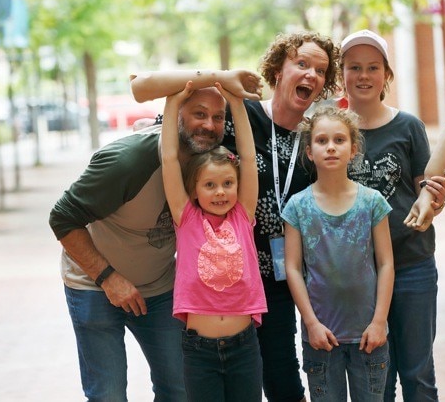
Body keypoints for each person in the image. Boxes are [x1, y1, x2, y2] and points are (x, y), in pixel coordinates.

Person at [130, 31, 340, 402]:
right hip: (213, 289)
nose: (310, 74)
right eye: (301, 63)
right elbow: (145, 91)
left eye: (320, 70)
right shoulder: (234, 112)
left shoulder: (316, 138)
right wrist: (221, 78)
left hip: (276, 283)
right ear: (278, 69)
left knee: (283, 384)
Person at [48, 80, 261, 401]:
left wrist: (231, 90)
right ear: (174, 117)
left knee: (178, 390)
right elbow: (62, 217)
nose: (209, 124)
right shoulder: (128, 161)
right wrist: (107, 278)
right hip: (94, 284)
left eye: (218, 117)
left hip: (158, 288)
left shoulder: (211, 164)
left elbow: (246, 152)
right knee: (108, 394)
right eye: (198, 114)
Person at [339, 29, 445, 401]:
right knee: (375, 384)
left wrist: (434, 201)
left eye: (373, 67)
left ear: (386, 75)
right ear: (342, 75)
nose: (364, 75)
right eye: (355, 67)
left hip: (412, 265)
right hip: (358, 276)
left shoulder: (409, 127)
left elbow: (426, 191)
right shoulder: (332, 132)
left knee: (418, 376)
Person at [161, 81, 267, 401]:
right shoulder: (186, 217)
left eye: (227, 183)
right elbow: (168, 159)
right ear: (194, 190)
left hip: (244, 347)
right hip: (199, 351)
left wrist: (236, 104)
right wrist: (172, 103)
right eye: (209, 184)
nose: (220, 192)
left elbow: (248, 159)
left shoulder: (242, 215)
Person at [282, 105, 394, 402]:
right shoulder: (297, 207)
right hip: (321, 340)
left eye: (339, 140)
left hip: (368, 337)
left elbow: (385, 263)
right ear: (309, 151)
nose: (330, 147)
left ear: (353, 149)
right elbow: (292, 268)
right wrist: (311, 324)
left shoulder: (372, 202)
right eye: (321, 141)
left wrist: (379, 321)